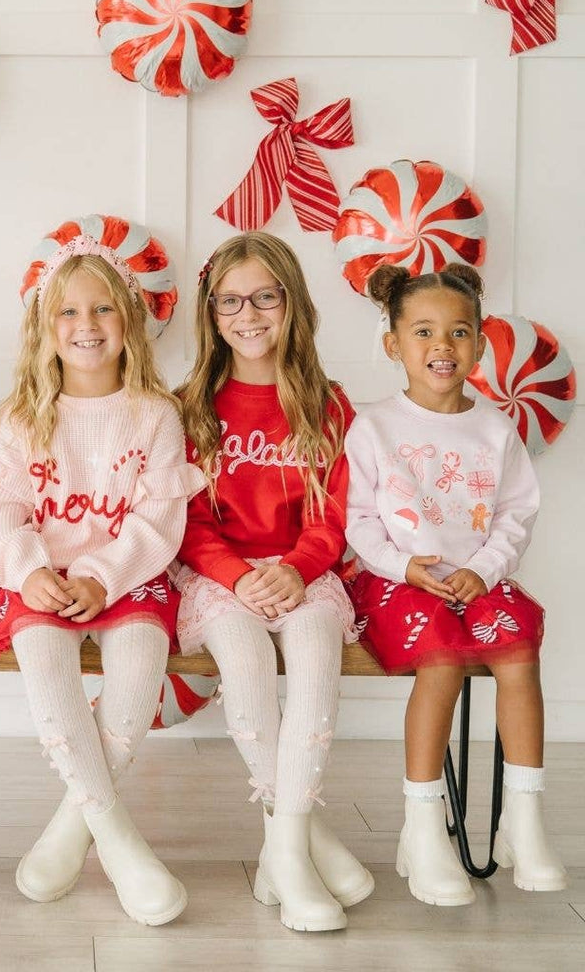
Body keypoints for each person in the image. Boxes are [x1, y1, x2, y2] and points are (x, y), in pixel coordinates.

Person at [0, 235, 205, 926]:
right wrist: (31, 568)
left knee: (136, 675)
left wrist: (102, 573)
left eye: (103, 309)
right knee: (47, 670)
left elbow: (159, 518)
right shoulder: (20, 418)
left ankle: (71, 831)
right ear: (44, 327)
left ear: (129, 321)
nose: (87, 325)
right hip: (37, 580)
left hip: (130, 576)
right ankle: (121, 843)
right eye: (67, 313)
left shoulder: (154, 414)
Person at [346, 262, 566, 905]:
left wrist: (485, 570)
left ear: (478, 342)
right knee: (440, 657)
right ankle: (423, 826)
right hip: (398, 581)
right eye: (423, 332)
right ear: (394, 344)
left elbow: (515, 514)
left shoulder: (496, 429)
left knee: (518, 645)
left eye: (459, 332)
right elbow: (355, 520)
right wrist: (402, 565)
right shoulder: (376, 426)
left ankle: (521, 822)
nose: (442, 346)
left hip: (476, 579)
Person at [176, 232, 372, 932]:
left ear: (292, 303)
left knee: (318, 650)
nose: (248, 313)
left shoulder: (329, 403)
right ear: (211, 311)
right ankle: (299, 848)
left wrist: (295, 568)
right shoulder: (191, 405)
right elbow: (191, 522)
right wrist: (237, 576)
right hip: (215, 576)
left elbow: (336, 513)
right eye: (230, 300)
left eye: (265, 296)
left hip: (304, 572)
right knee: (247, 658)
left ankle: (281, 850)